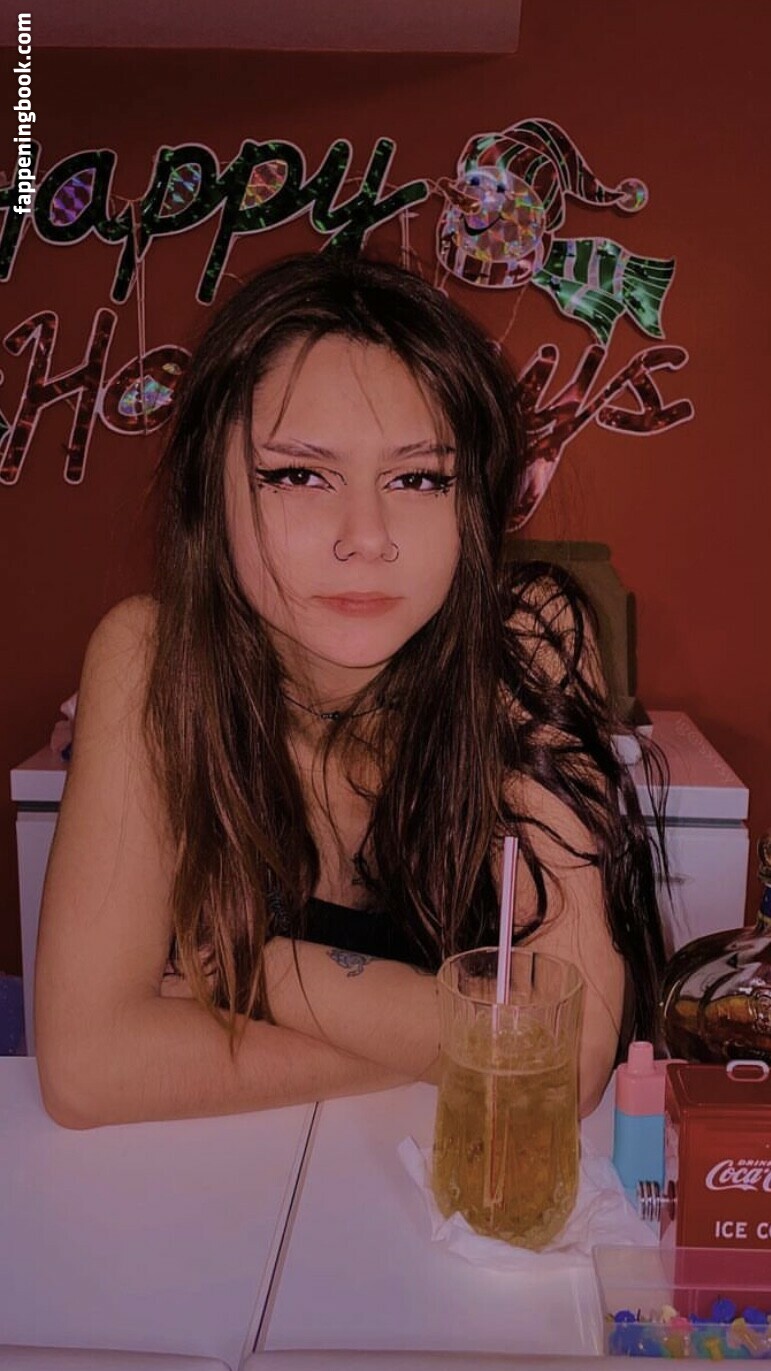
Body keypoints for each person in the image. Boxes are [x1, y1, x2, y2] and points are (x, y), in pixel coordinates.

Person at [34, 251, 666, 1130]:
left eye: (417, 478)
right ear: (209, 491)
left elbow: (567, 1062)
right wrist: (471, 1045)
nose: (364, 537)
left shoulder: (525, 643)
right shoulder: (150, 659)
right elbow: (87, 1069)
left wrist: (259, 971)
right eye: (298, 474)